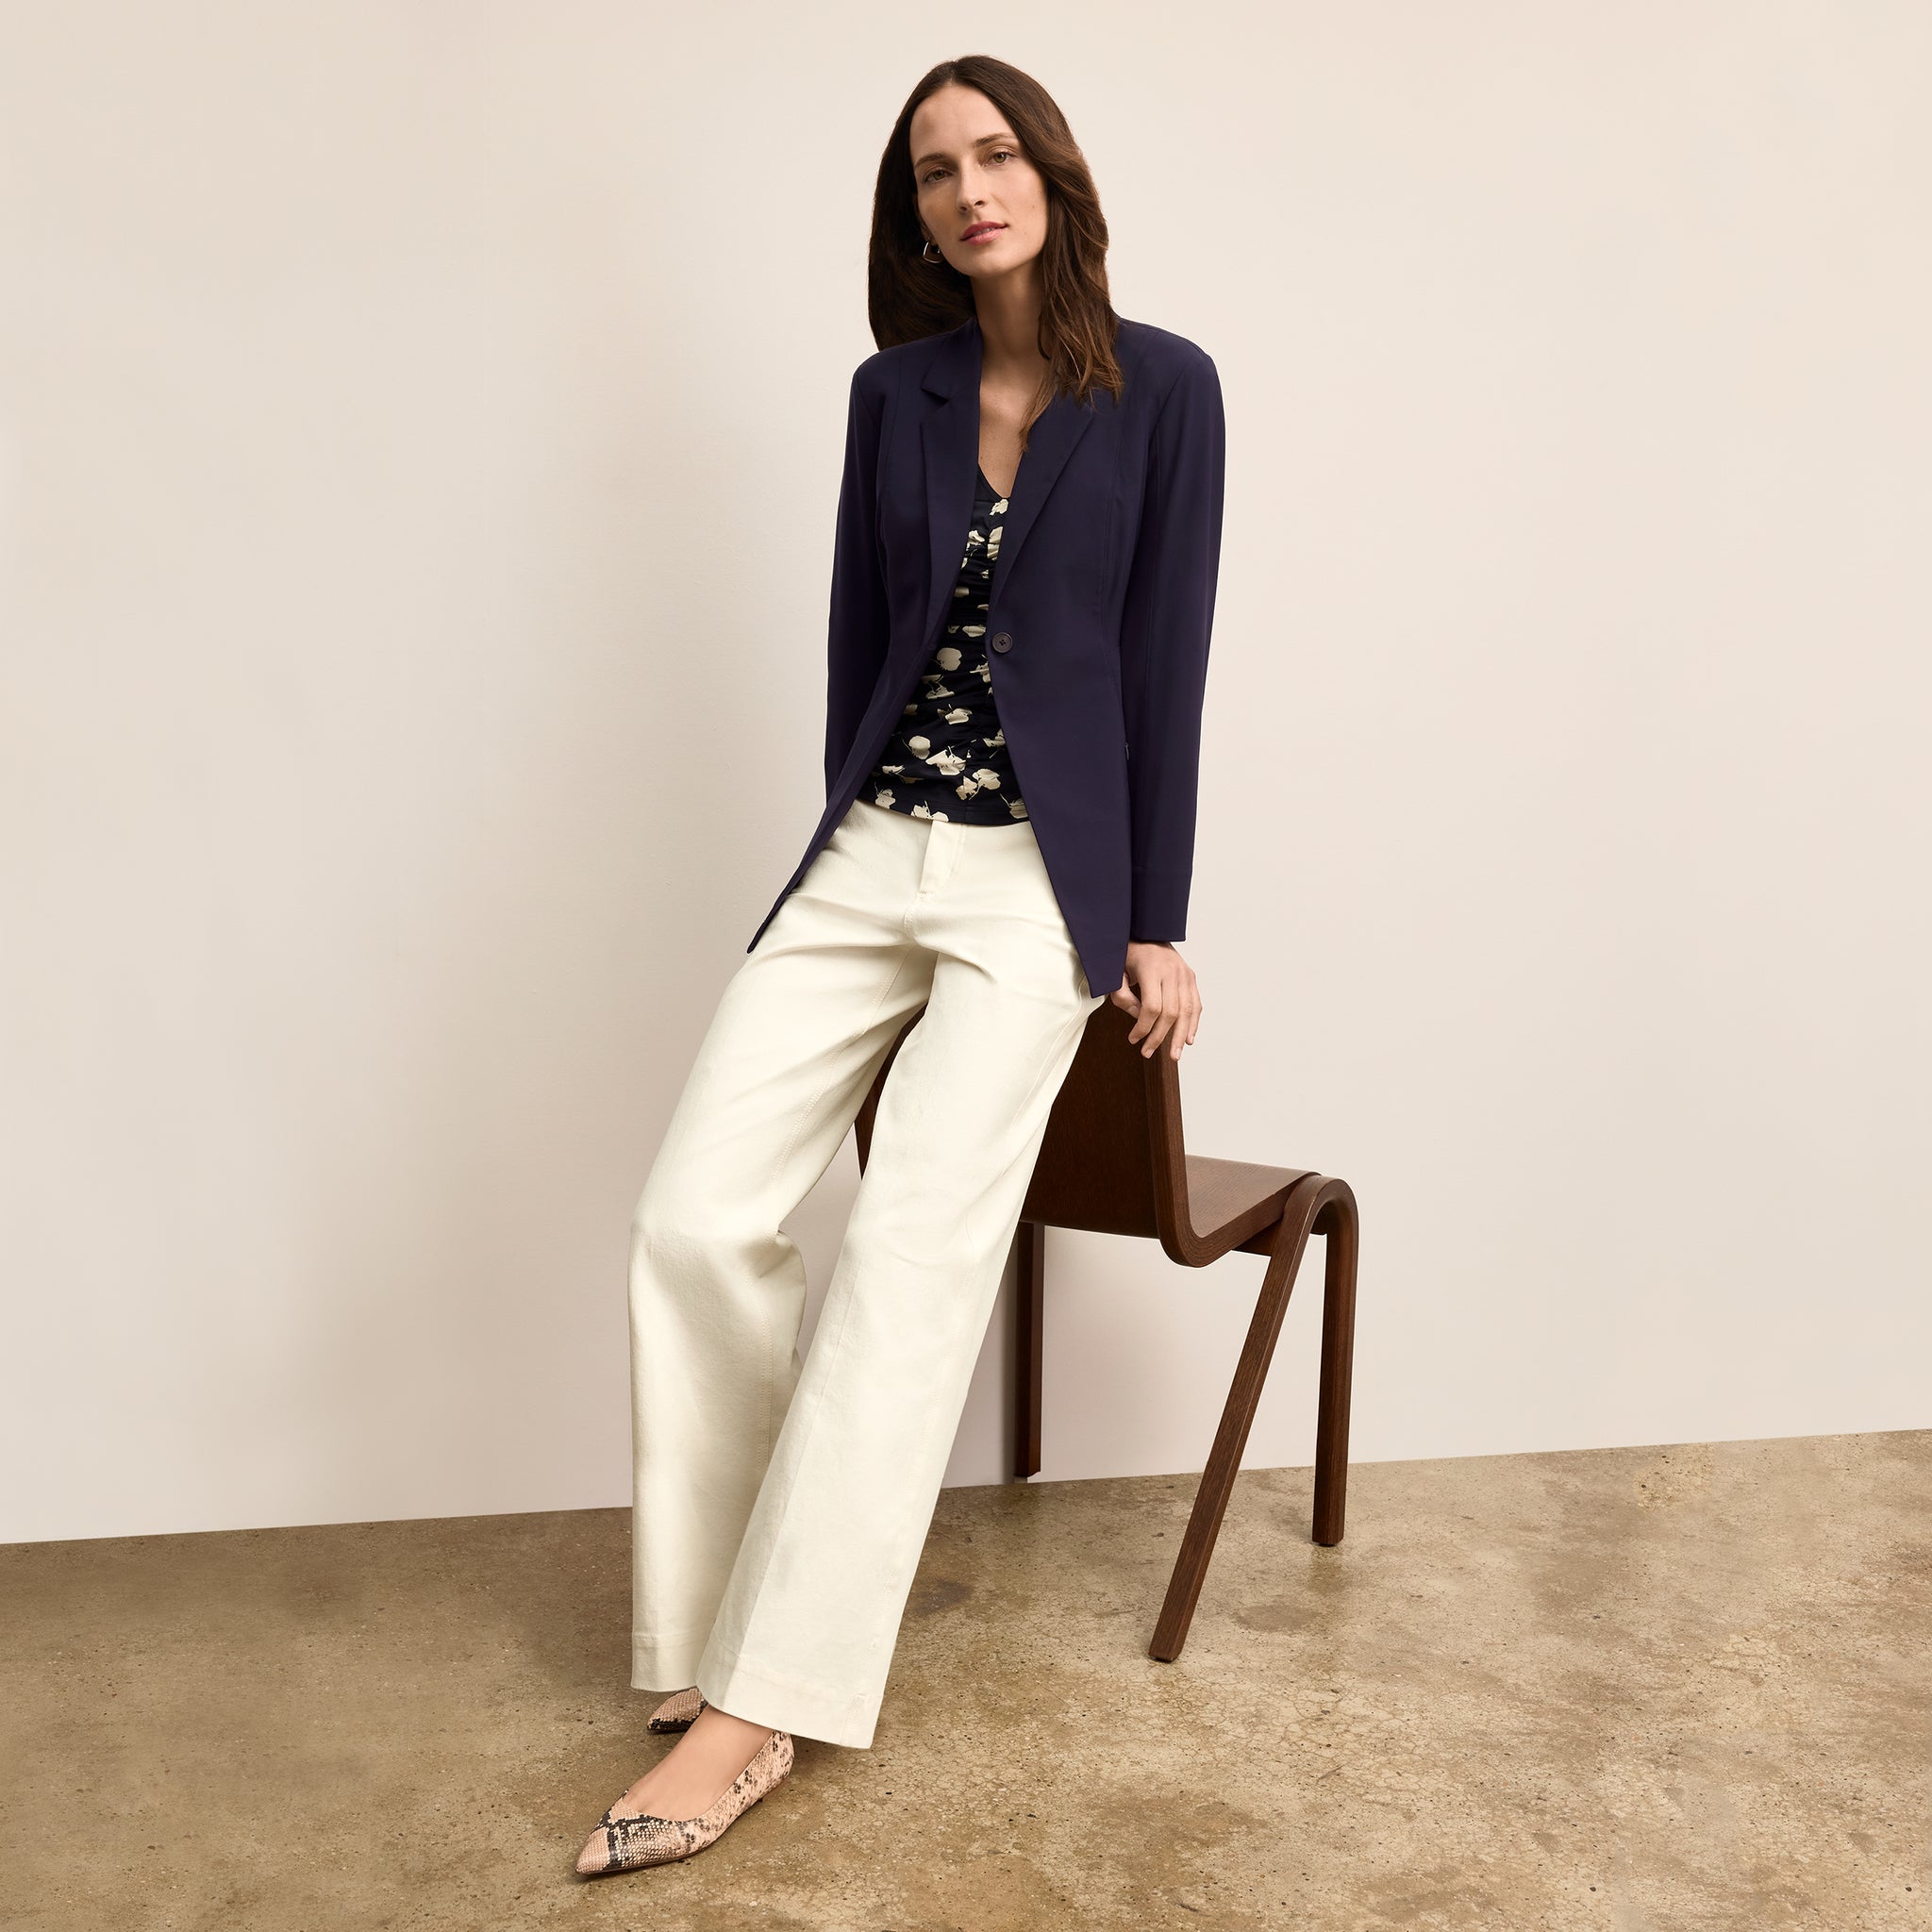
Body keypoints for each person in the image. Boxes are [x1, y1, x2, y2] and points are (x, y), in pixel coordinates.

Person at [576, 52, 1224, 1878]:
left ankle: (759, 1706)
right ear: (917, 213)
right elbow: (859, 645)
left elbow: (1166, 667)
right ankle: (709, 1630)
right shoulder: (897, 394)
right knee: (692, 1213)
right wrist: (847, 870)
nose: (966, 188)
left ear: (1050, 171)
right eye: (934, 169)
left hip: (1042, 887)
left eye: (992, 151)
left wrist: (1152, 914)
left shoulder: (1165, 391)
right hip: (877, 849)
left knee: (909, 1255)